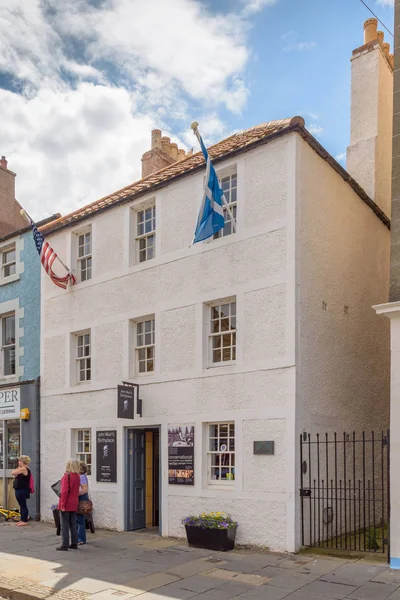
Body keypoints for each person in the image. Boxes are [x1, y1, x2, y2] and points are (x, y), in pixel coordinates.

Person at [57, 459, 80, 551]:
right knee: (73, 524)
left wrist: (62, 504)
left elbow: (64, 492)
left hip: (67, 502)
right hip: (74, 502)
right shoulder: (77, 476)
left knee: (64, 525)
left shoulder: (67, 476)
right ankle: (74, 543)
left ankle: (65, 544)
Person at [12, 455, 31, 527]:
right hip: (19, 489)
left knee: (23, 505)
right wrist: (16, 470)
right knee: (21, 505)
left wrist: (16, 470)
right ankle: (22, 519)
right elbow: (14, 475)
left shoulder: (24, 469)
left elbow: (13, 473)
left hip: (22, 489)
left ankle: (25, 521)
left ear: (22, 461)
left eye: (19, 461)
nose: (18, 462)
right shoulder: (21, 468)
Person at [77, 462, 89, 545]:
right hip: (81, 498)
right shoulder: (82, 476)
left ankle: (81, 539)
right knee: (78, 519)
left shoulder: (82, 477)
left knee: (79, 519)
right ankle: (79, 538)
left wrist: (74, 493)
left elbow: (84, 490)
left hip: (82, 499)